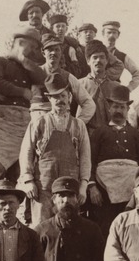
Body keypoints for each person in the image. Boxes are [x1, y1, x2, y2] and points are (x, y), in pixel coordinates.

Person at [19, 72, 92, 224]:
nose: (60, 101)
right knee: (41, 228)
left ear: (70, 98)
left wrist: (83, 185)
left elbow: (85, 157)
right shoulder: (39, 123)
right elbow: (26, 152)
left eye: (63, 96)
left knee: (69, 226)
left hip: (69, 189)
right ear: (50, 99)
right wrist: (28, 180)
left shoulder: (79, 125)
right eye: (56, 97)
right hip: (43, 186)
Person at [0, 26, 47, 181]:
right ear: (19, 43)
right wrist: (22, 92)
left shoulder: (27, 67)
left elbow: (43, 79)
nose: (33, 51)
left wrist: (25, 62)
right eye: (31, 46)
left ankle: (13, 202)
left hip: (21, 122)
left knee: (19, 166)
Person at [88, 82, 139, 231]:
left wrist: (138, 192)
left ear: (128, 109)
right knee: (105, 228)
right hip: (103, 193)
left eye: (122, 107)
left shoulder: (135, 135)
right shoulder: (99, 133)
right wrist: (92, 187)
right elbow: (89, 162)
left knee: (130, 227)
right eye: (115, 106)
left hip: (130, 190)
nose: (118, 110)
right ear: (109, 108)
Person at [36, 33, 97, 124]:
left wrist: (77, 124)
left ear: (61, 52)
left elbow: (88, 103)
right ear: (43, 52)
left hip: (61, 121)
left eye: (57, 50)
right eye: (50, 49)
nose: (54, 53)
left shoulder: (68, 77)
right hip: (38, 119)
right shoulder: (34, 74)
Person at [100, 21, 139, 94]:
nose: (111, 35)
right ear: (103, 33)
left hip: (112, 94)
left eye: (114, 32)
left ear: (118, 35)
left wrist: (128, 89)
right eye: (109, 32)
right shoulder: (94, 52)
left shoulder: (122, 56)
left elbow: (138, 74)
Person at [48, 13, 88, 78]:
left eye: (63, 26)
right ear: (52, 29)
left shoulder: (71, 47)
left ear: (66, 29)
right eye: (57, 26)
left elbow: (77, 70)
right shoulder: (48, 45)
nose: (60, 29)